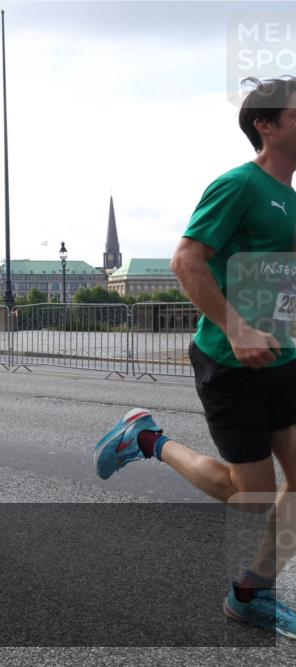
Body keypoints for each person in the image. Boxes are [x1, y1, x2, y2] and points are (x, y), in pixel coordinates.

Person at [95, 76, 296, 637]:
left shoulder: (291, 199)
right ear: (267, 124)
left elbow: (281, 281)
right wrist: (236, 328)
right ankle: (146, 439)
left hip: (282, 358)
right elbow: (187, 261)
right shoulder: (238, 185)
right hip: (231, 362)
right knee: (251, 495)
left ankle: (251, 594)